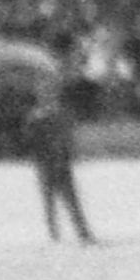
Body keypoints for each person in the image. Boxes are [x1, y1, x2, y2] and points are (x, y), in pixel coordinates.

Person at [26, 70, 97, 245]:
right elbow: (31, 140)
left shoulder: (60, 113)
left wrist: (70, 152)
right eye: (44, 91)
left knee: (70, 197)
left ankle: (81, 231)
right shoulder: (36, 116)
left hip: (60, 159)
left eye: (50, 91)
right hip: (45, 160)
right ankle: (54, 233)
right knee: (49, 198)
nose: (47, 94)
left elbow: (67, 136)